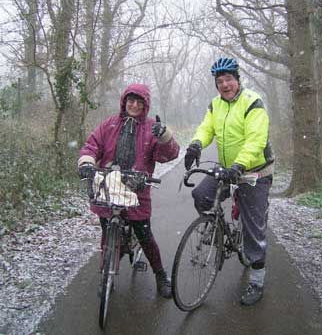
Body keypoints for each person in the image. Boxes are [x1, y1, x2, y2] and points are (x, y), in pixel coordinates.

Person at [184, 57, 274, 306]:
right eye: (220, 81)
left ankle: (256, 279)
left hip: (254, 171)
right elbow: (206, 129)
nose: (225, 85)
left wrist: (239, 165)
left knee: (253, 228)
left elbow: (256, 140)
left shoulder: (252, 102)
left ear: (237, 80)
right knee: (201, 195)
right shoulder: (216, 105)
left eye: (229, 79)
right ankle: (217, 226)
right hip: (227, 169)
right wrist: (196, 144)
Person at [78, 83, 180, 298]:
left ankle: (160, 275)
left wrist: (164, 136)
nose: (134, 105)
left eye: (139, 101)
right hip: (108, 186)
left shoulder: (151, 127)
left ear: (145, 105)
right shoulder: (109, 125)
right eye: (130, 100)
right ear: (124, 102)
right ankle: (106, 276)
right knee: (108, 233)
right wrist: (87, 163)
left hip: (137, 190)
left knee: (144, 235)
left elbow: (169, 155)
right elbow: (91, 145)